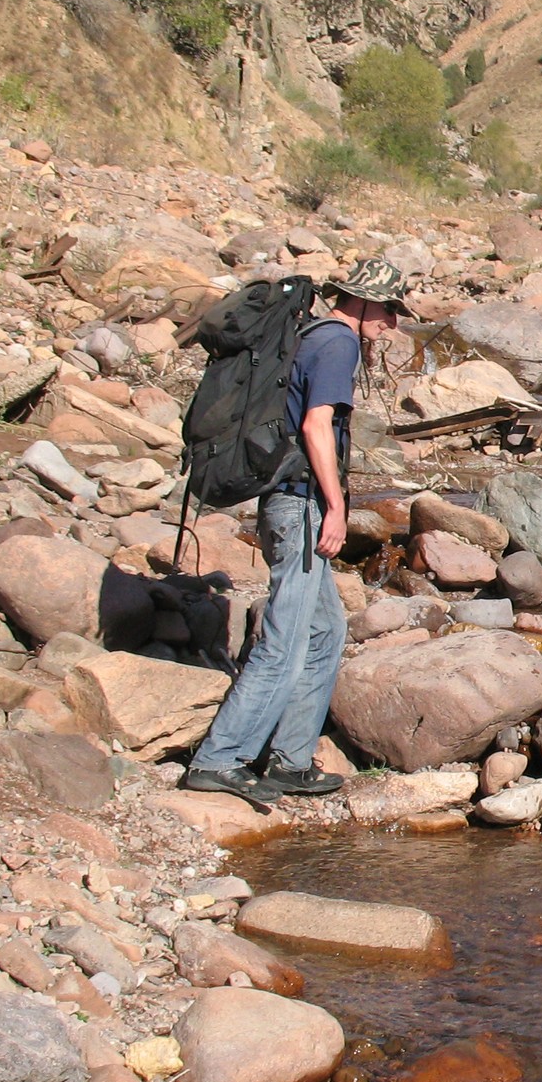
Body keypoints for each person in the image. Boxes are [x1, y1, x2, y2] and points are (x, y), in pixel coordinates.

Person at [183, 259, 408, 804]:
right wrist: (334, 506)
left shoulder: (310, 335)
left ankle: (290, 759)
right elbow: (315, 425)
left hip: (288, 500)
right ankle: (220, 758)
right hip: (300, 502)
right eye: (389, 309)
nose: (394, 323)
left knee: (326, 630)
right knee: (283, 639)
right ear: (360, 301)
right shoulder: (337, 343)